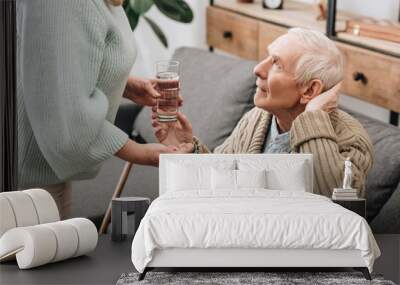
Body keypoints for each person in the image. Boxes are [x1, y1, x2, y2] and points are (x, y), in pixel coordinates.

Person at [152, 28, 374, 198]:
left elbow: (337, 206)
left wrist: (313, 118)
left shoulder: (351, 139)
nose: (258, 69)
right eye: (267, 57)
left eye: (276, 64)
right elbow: (223, 171)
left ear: (310, 90)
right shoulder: (258, 117)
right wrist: (192, 151)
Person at [17, 0, 189, 218]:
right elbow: (70, 121)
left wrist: (125, 86)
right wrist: (140, 153)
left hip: (43, 181)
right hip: (22, 193)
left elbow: (54, 66)